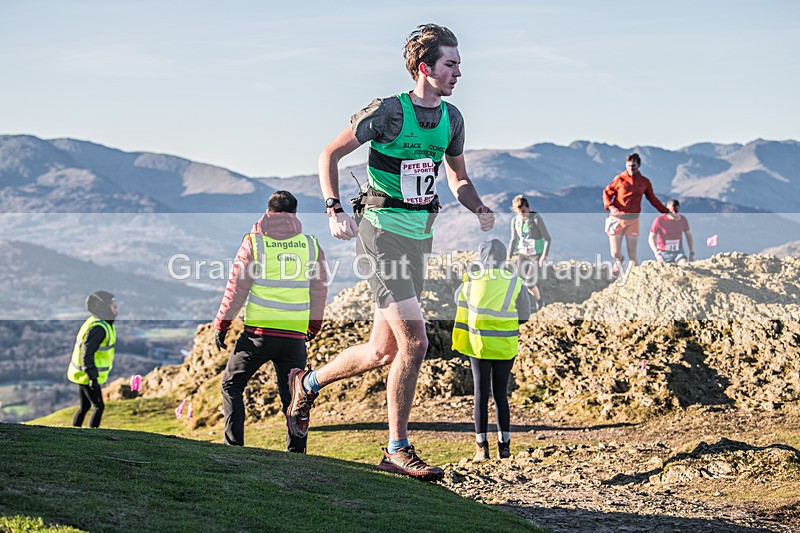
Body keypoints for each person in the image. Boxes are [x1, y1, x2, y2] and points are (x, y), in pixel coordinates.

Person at [286, 23, 495, 480]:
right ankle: (396, 449)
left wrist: (477, 205)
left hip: (420, 237)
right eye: (451, 63)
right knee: (415, 342)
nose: (459, 71)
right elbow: (329, 154)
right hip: (379, 234)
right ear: (426, 68)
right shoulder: (387, 112)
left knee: (382, 352)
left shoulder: (452, 119)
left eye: (459, 63)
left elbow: (457, 178)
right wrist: (334, 209)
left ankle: (307, 384)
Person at [215, 190, 328, 453]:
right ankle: (296, 455)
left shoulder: (254, 243)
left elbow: (236, 288)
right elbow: (319, 289)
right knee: (295, 397)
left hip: (258, 336)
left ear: (268, 211)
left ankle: (234, 447)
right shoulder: (310, 245)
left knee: (232, 385)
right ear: (295, 214)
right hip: (294, 339)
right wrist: (313, 326)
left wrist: (222, 324)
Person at [453, 239, 530, 461]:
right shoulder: (515, 282)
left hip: (478, 346)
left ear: (481, 257)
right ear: (505, 257)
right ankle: (504, 448)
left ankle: (481, 449)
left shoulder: (471, 281)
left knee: (480, 395)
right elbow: (524, 315)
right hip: (505, 346)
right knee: (500, 396)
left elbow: (457, 300)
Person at [602, 153, 668, 274]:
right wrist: (610, 206)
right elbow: (606, 193)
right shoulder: (619, 179)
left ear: (639, 166)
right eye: (628, 166)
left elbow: (653, 199)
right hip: (616, 219)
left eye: (633, 166)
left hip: (633, 220)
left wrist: (666, 212)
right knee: (615, 252)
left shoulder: (644, 182)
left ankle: (637, 276)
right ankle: (619, 260)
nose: (631, 169)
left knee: (632, 253)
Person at [67, 290, 118, 428]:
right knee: (98, 407)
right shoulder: (99, 328)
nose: (116, 308)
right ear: (105, 307)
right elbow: (87, 354)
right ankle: (92, 437)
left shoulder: (97, 322)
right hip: (88, 375)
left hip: (83, 374)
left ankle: (73, 432)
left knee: (85, 407)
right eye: (113, 305)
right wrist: (92, 377)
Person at [507, 195, 551, 311]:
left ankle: (540, 302)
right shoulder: (515, 221)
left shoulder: (536, 218)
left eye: (524, 211)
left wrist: (544, 256)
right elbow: (514, 239)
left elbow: (548, 238)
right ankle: (521, 305)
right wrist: (508, 257)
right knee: (517, 282)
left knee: (530, 283)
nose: (522, 214)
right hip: (523, 253)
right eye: (519, 212)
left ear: (528, 208)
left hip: (536, 254)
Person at [648, 199, 695, 264]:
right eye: (671, 211)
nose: (674, 213)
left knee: (684, 266)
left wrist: (692, 253)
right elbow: (651, 238)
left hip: (678, 252)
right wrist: (656, 253)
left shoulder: (683, 219)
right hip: (663, 253)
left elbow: (688, 235)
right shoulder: (659, 220)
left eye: (676, 211)